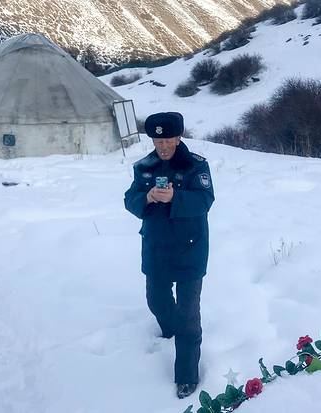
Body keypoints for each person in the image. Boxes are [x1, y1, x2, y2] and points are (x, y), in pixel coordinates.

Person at [124, 112, 215, 399]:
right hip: (156, 248)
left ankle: (186, 376)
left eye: (167, 140)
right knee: (156, 300)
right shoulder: (144, 166)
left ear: (178, 137)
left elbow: (205, 200)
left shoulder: (196, 166)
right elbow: (130, 199)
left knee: (188, 316)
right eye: (157, 141)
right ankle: (169, 329)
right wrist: (147, 198)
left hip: (190, 248)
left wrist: (176, 197)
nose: (162, 146)